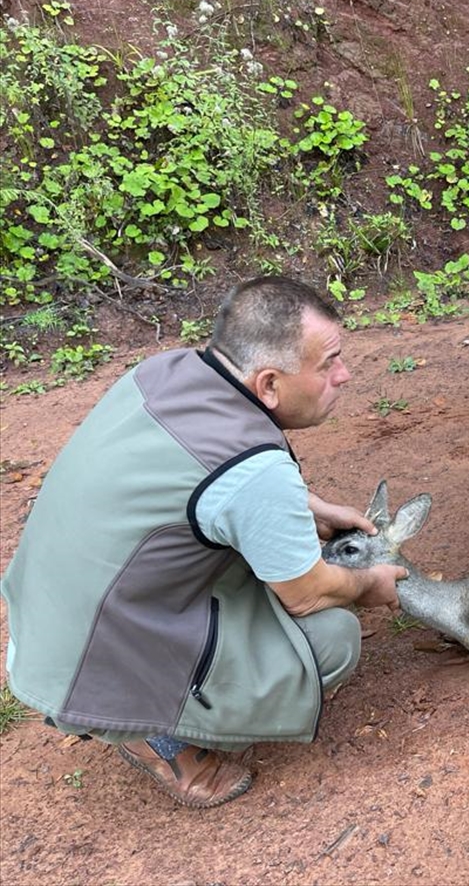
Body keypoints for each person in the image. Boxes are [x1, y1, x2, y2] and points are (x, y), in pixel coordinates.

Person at [0, 275, 408, 809]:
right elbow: (306, 593)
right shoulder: (255, 471)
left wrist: (309, 506)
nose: (344, 375)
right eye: (328, 362)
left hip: (46, 625)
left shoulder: (164, 372)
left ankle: (131, 695)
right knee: (331, 635)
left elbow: (198, 476)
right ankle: (155, 734)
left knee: (256, 562)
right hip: (81, 670)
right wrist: (366, 582)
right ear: (267, 385)